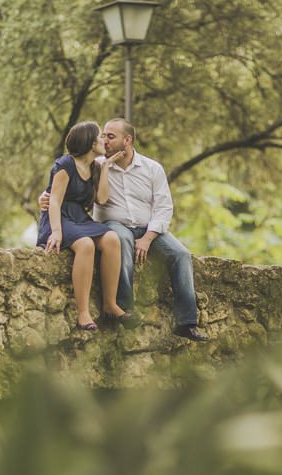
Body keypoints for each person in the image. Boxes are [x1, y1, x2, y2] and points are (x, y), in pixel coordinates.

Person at [40, 118, 208, 341]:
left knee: (181, 254)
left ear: (127, 140)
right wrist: (42, 198)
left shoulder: (151, 168)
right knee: (120, 239)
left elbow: (164, 207)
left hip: (149, 229)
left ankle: (186, 323)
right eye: (103, 136)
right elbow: (59, 188)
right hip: (114, 225)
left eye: (111, 136)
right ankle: (124, 308)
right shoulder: (97, 163)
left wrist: (148, 237)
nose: (105, 141)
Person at [37, 121, 129, 331]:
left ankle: (110, 304)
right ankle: (83, 314)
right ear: (89, 142)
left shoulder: (95, 166)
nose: (104, 141)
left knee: (112, 239)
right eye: (100, 137)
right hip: (58, 218)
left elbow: (102, 199)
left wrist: (105, 167)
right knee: (86, 245)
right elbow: (54, 201)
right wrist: (57, 232)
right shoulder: (65, 164)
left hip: (80, 218)